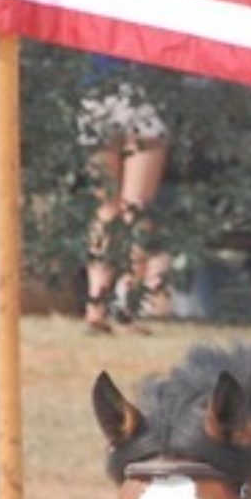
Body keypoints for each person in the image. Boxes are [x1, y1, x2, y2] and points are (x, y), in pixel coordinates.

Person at [80, 59, 173, 332]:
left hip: (95, 90)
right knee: (136, 208)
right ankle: (128, 305)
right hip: (144, 86)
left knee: (105, 208)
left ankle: (96, 304)